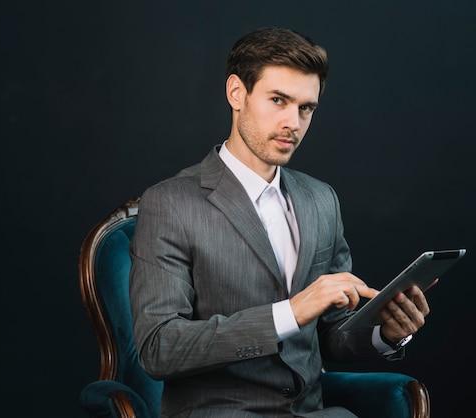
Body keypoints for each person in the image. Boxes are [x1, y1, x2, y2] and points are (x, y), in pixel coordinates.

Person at [129, 27, 431, 418]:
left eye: (306, 108)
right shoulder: (170, 203)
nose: (294, 122)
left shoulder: (321, 199)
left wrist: (385, 333)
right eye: (278, 100)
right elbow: (159, 348)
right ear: (236, 93)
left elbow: (330, 334)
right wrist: (291, 310)